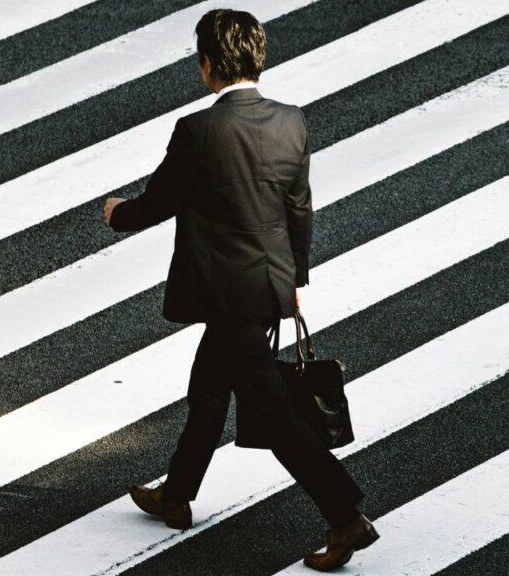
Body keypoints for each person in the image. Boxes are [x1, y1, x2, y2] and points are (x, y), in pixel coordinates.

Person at [102, 8, 378, 572]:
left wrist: (115, 214)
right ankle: (176, 494)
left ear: (207, 66)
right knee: (208, 391)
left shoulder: (199, 130)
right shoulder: (291, 122)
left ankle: (346, 516)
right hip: (266, 285)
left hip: (224, 292)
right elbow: (298, 209)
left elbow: (158, 203)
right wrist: (294, 280)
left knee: (273, 416)